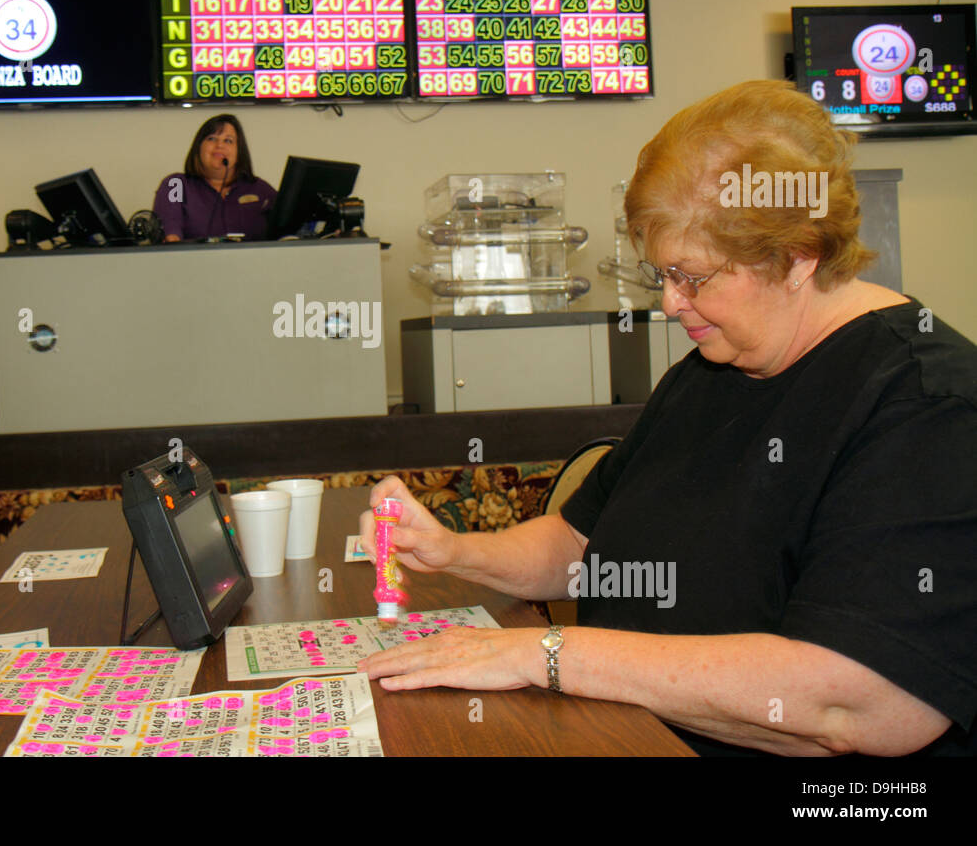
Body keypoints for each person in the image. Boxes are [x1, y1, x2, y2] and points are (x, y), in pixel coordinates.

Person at [355, 80, 977, 757]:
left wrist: (548, 655)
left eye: (694, 276)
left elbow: (861, 701)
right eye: (663, 277)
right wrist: (451, 550)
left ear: (800, 256)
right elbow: (578, 546)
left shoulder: (928, 408)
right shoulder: (714, 367)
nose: (673, 304)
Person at [152, 114, 277, 241]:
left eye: (228, 140)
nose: (219, 145)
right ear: (198, 147)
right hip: (191, 260)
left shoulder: (260, 189)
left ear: (239, 151)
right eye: (212, 139)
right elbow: (171, 233)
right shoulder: (177, 184)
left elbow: (287, 235)